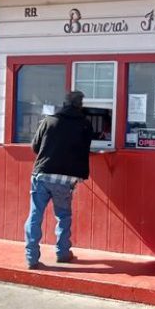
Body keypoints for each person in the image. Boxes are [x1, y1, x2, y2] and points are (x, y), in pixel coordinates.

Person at [25, 90, 93, 268]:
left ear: (64, 103)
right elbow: (85, 149)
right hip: (65, 180)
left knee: (35, 215)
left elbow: (35, 147)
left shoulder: (49, 121)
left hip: (42, 174)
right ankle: (62, 253)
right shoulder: (85, 124)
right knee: (63, 215)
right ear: (80, 105)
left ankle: (31, 258)